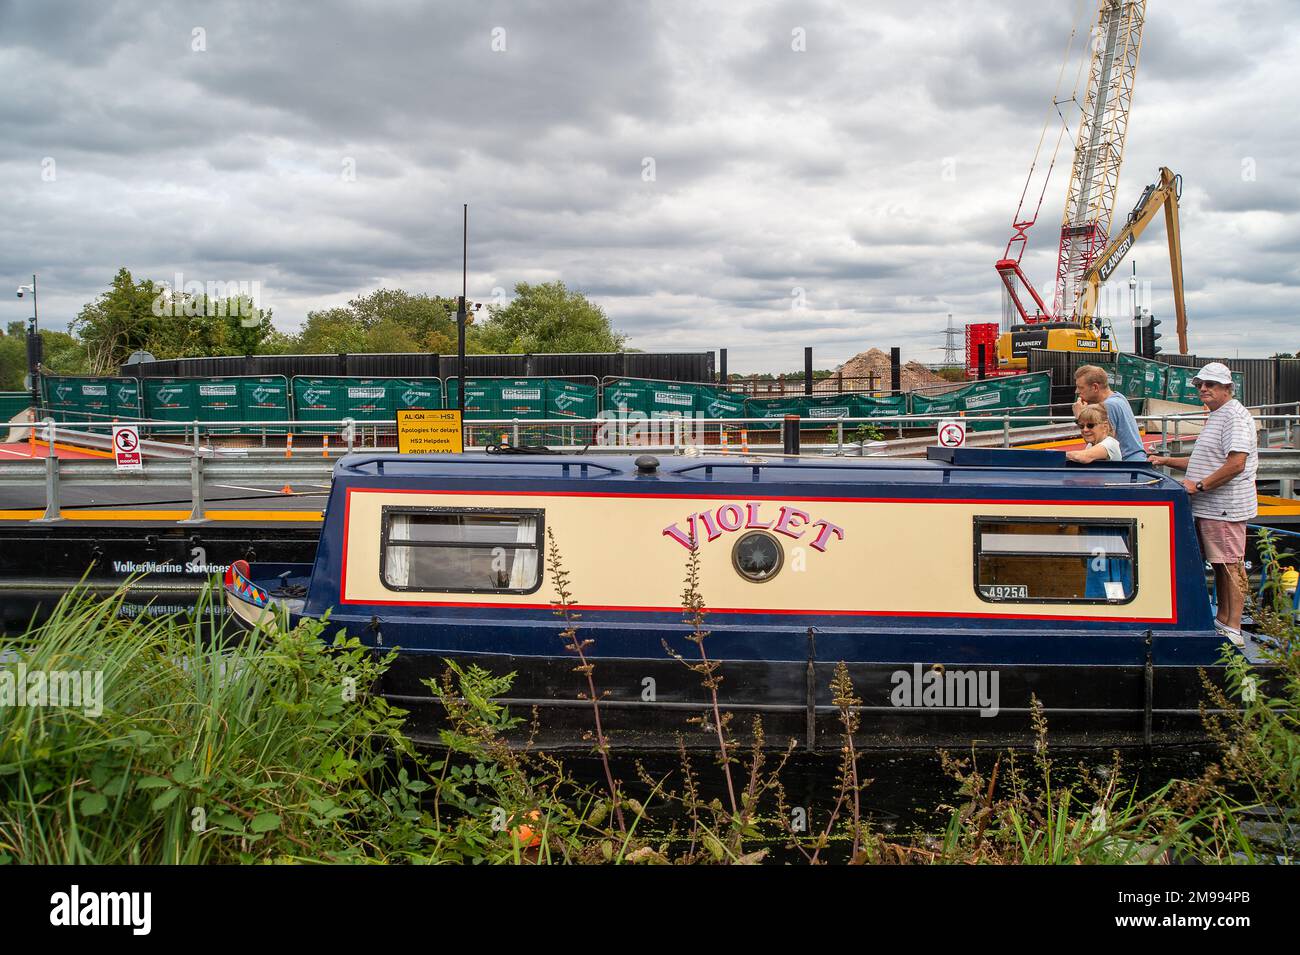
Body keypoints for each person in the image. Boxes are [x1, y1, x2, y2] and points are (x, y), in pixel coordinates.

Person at [1147, 362, 1258, 644]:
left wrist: (1198, 486)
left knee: (1231, 564)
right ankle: (1223, 619)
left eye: (1210, 384)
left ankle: (1232, 626)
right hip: (1213, 506)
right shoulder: (1218, 415)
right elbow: (1203, 462)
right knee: (1221, 564)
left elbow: (1236, 464)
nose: (1203, 389)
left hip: (1224, 506)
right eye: (1199, 385)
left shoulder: (1233, 416)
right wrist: (1166, 460)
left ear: (1227, 388)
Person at [1072, 365, 1147, 462]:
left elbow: (1094, 439)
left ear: (1095, 387)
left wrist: (1081, 416)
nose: (1077, 391)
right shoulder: (1119, 397)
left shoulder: (1109, 406)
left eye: (1080, 388)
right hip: (1135, 461)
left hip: (1127, 466)